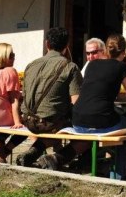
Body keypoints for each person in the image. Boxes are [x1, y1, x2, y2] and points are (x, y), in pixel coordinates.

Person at [71, 34, 126, 178]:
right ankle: (117, 175)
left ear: (106, 50)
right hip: (99, 121)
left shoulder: (92, 65)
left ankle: (103, 166)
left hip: (77, 121)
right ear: (124, 52)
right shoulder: (121, 66)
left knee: (109, 119)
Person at [19, 27, 83, 170]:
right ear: (67, 47)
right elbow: (76, 103)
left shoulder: (31, 65)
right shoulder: (70, 67)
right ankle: (57, 159)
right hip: (49, 123)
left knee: (55, 118)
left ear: (47, 44)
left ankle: (33, 153)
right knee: (85, 132)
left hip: (27, 121)